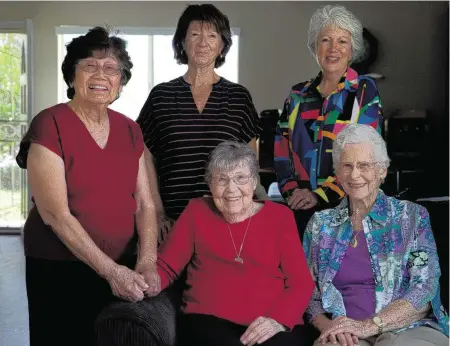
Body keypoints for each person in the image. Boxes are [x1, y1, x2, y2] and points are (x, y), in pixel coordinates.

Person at [16, 27, 160, 346]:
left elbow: (145, 204)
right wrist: (111, 273)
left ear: (120, 81)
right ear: (72, 76)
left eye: (111, 68)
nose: (101, 75)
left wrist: (147, 261)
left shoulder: (130, 129)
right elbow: (55, 215)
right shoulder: (49, 123)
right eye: (89, 65)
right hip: (60, 269)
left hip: (123, 263)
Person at [152, 141, 314, 346]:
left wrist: (277, 320)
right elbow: (166, 266)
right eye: (221, 179)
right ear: (210, 184)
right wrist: (143, 282)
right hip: (208, 321)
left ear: (254, 181)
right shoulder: (196, 211)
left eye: (240, 178)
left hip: (270, 323)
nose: (231, 189)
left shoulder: (280, 217)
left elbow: (300, 282)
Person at [303, 124, 449, 346]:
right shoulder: (320, 226)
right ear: (337, 173)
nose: (354, 174)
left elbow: (425, 286)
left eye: (364, 165)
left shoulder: (411, 217)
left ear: (382, 171)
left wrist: (370, 325)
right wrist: (331, 327)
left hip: (407, 329)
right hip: (346, 333)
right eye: (347, 165)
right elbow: (307, 292)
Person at [136, 4, 265, 242]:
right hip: (173, 224)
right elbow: (143, 159)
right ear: (182, 42)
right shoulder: (161, 96)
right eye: (194, 34)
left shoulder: (238, 97)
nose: (203, 42)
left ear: (222, 45)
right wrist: (158, 214)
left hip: (226, 222)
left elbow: (249, 165)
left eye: (212, 35)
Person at [273, 5, 383, 240]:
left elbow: (365, 157)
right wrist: (293, 193)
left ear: (352, 50)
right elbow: (281, 151)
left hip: (346, 210)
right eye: (326, 40)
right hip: (300, 210)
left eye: (342, 41)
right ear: (315, 47)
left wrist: (320, 195)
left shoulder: (363, 91)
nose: (334, 49)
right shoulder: (297, 96)